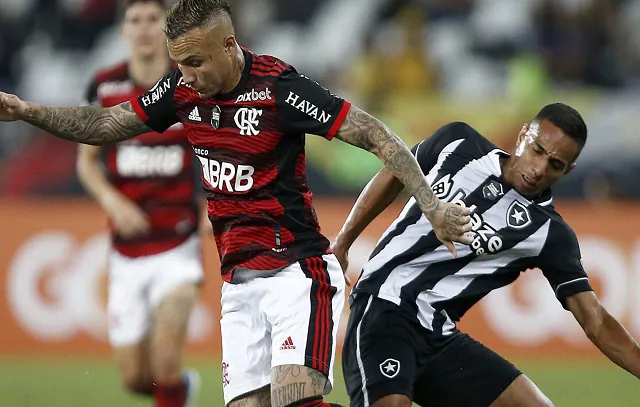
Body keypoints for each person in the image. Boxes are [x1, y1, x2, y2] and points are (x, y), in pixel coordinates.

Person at [0, 0, 473, 406]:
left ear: (228, 46)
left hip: (297, 272)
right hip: (238, 284)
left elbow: (374, 134)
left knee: (295, 401)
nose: (186, 76)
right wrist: (27, 112)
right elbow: (106, 125)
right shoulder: (182, 88)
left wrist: (431, 207)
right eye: (179, 64)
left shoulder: (279, 90)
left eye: (195, 63)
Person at [333, 103, 640, 407]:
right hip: (385, 306)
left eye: (556, 165)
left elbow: (594, 320)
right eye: (537, 150)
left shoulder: (549, 234)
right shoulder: (459, 143)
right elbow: (395, 171)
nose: (539, 168)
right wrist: (344, 241)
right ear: (522, 136)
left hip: (437, 334)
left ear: (569, 169)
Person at [76, 1, 203, 407]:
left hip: (178, 246)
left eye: (154, 20)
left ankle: (173, 383)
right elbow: (86, 164)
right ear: (123, 30)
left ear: (167, 30)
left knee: (165, 360)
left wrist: (207, 207)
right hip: (126, 251)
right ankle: (182, 390)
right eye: (136, 20)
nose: (145, 28)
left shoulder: (189, 83)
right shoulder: (104, 87)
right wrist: (114, 203)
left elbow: (216, 150)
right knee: (136, 380)